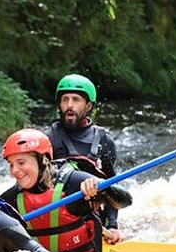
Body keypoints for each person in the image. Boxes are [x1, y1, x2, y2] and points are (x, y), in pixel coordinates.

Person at [0, 129, 132, 252]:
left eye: (21, 163)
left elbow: (125, 201)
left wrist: (102, 189)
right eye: (11, 164)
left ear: (43, 159)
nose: (15, 171)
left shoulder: (73, 183)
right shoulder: (12, 198)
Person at [47, 74, 125, 243]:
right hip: (56, 217)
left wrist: (113, 225)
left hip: (91, 218)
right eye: (65, 99)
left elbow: (111, 186)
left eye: (76, 100)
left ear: (88, 105)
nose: (69, 105)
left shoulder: (104, 141)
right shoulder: (47, 139)